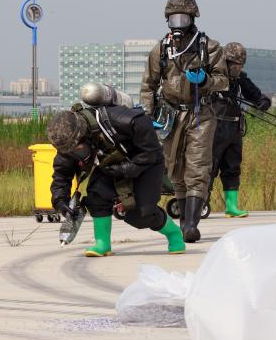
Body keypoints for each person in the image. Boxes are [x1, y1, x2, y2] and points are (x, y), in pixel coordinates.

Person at [48, 83, 185, 257]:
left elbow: (151, 151)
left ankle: (174, 234)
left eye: (76, 148)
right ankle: (102, 244)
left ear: (84, 134)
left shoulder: (124, 120)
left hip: (145, 163)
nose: (73, 154)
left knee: (141, 215)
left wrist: (128, 168)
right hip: (110, 166)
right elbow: (61, 175)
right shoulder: (68, 146)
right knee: (96, 196)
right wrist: (61, 201)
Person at [140, 0, 228, 242]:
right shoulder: (161, 50)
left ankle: (191, 225)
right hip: (169, 116)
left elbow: (224, 82)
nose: (178, 24)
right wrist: (147, 115)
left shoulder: (209, 47)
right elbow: (148, 85)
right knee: (175, 170)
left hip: (201, 114)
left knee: (198, 168)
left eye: (183, 18)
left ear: (192, 18)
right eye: (173, 19)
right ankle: (183, 223)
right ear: (167, 21)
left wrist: (206, 81)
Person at [210, 42, 271, 217]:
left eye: (241, 65)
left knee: (232, 167)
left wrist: (263, 103)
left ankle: (231, 206)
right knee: (209, 167)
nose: (238, 68)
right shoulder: (212, 76)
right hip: (214, 129)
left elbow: (258, 96)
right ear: (226, 62)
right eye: (235, 64)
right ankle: (200, 203)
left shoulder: (241, 79)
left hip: (235, 129)